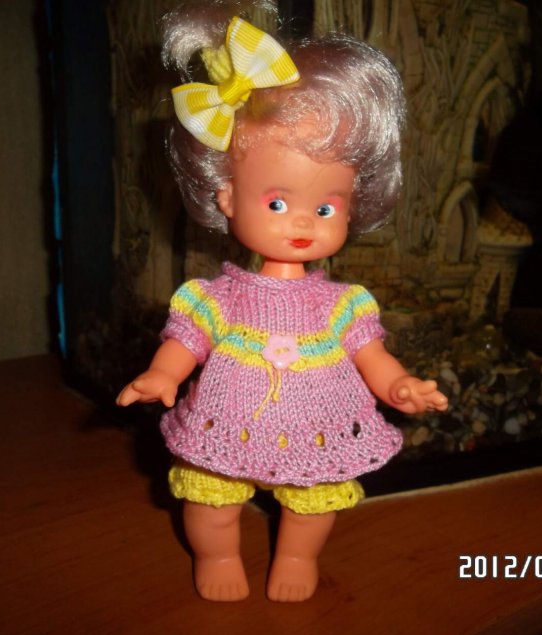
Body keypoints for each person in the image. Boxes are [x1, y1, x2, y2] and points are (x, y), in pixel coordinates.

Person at [117, 2, 448, 602]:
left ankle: (296, 556)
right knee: (209, 502)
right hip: (226, 423)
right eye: (277, 202)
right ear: (226, 196)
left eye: (325, 207)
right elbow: (187, 339)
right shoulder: (216, 298)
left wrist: (399, 385)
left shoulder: (345, 304)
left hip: (315, 427)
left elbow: (371, 356)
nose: (302, 222)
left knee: (312, 505)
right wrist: (162, 374)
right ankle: (217, 555)